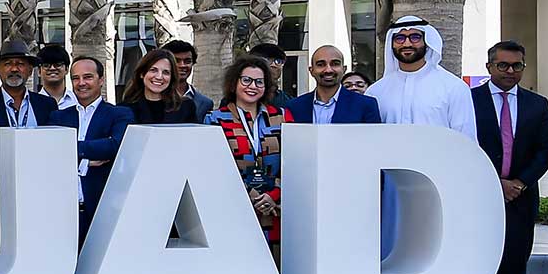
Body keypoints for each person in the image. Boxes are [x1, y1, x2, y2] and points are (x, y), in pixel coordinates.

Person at [366, 16, 477, 256]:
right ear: (391, 44)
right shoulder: (376, 91)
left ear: (427, 41)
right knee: (392, 248)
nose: (407, 43)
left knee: (434, 248)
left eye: (415, 37)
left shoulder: (453, 87)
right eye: (400, 38)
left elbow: (466, 142)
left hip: (438, 182)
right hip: (391, 187)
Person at [473, 40, 548, 274]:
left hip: (520, 200)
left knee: (514, 272)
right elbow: (463, 144)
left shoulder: (537, 104)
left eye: (516, 65)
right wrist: (494, 183)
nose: (510, 71)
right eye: (502, 65)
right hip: (481, 198)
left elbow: (545, 150)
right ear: (489, 67)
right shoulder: (469, 101)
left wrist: (519, 184)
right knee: (480, 272)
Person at [0, 40, 57, 269]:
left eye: (20, 64)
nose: (14, 69)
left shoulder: (46, 106)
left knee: (35, 262)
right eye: (8, 64)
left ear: (30, 69)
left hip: (36, 201)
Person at [208, 56, 290, 249]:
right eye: (246, 80)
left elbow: (293, 164)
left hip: (274, 210)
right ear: (234, 83)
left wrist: (274, 194)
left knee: (273, 268)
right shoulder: (215, 120)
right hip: (233, 209)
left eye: (259, 81)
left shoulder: (281, 117)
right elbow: (215, 168)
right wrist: (251, 194)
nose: (252, 86)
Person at [48, 57, 132, 237]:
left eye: (87, 77)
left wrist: (68, 148)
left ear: (101, 80)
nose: (81, 83)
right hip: (63, 212)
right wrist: (85, 162)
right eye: (76, 78)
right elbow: (50, 155)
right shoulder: (58, 117)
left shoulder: (119, 114)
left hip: (104, 209)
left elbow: (114, 146)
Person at [286, 45, 384, 124]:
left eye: (335, 64)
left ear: (344, 69)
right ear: (311, 71)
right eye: (321, 64)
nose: (328, 70)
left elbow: (372, 144)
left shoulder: (365, 105)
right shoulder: (295, 106)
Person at [121, 49, 199, 125]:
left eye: (166, 72)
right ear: (142, 73)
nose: (159, 77)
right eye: (153, 70)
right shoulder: (124, 109)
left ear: (172, 77)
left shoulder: (186, 107)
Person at [164, 39, 214, 116]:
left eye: (187, 61)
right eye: (176, 61)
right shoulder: (153, 97)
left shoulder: (205, 103)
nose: (182, 65)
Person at [34, 43, 72, 109]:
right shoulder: (32, 103)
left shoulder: (77, 101)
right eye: (46, 65)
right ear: (39, 71)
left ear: (67, 69)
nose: (52, 68)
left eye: (58, 64)